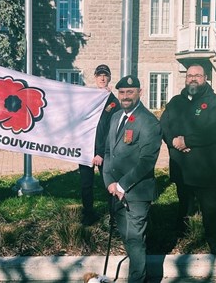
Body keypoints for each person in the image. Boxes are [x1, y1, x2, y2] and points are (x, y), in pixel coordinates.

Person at [159, 63, 216, 255]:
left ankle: (215, 241)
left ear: (205, 78)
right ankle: (182, 233)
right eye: (189, 75)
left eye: (197, 75)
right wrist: (174, 141)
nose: (193, 79)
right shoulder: (175, 102)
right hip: (181, 164)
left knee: (210, 206)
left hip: (204, 167)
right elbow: (164, 124)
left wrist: (187, 141)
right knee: (184, 201)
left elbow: (213, 131)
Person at [103, 75, 162, 283]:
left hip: (136, 193)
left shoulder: (149, 122)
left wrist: (121, 185)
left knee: (136, 240)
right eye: (122, 92)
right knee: (128, 239)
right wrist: (109, 183)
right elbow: (108, 152)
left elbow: (147, 162)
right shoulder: (116, 116)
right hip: (115, 192)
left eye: (130, 92)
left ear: (140, 92)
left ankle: (136, 280)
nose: (125, 96)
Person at [79, 64, 120, 226]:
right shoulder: (88, 98)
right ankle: (88, 214)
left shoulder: (113, 102)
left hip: (103, 152)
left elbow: (112, 131)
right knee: (86, 185)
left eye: (105, 75)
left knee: (108, 184)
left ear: (109, 78)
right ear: (95, 78)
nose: (102, 78)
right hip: (85, 150)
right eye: (99, 75)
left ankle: (114, 216)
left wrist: (101, 153)